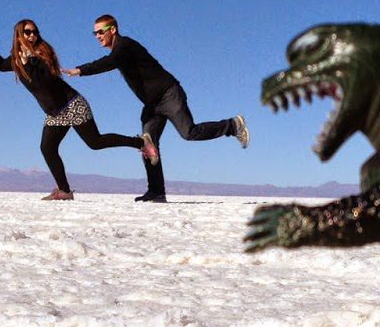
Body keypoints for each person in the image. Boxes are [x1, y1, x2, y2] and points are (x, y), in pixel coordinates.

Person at [63, 14, 248, 202]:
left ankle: (233, 126)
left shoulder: (124, 45)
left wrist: (80, 70)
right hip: (152, 104)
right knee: (147, 144)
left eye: (100, 32)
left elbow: (109, 62)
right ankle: (156, 191)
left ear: (113, 29)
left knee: (189, 133)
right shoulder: (118, 51)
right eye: (94, 33)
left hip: (169, 94)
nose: (97, 36)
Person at [0, 20, 145, 200]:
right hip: (55, 112)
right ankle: (64, 191)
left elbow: (42, 82)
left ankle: (140, 143)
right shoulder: (17, 59)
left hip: (71, 104)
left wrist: (29, 62)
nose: (32, 35)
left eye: (35, 32)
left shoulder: (42, 54)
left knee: (95, 142)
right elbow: (0, 66)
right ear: (19, 34)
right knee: (47, 148)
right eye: (27, 32)